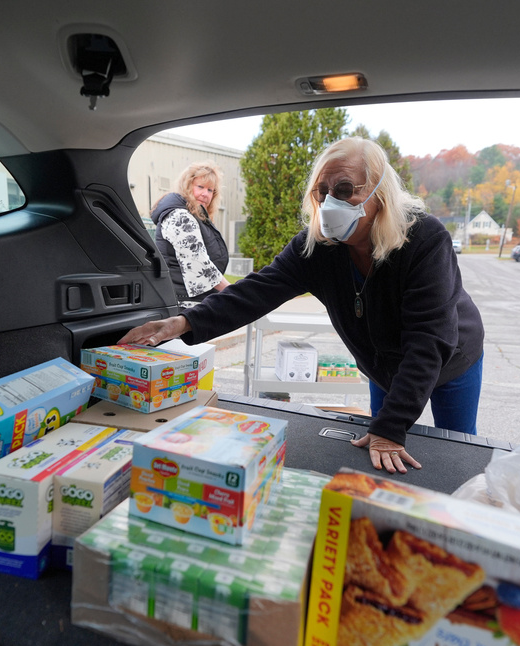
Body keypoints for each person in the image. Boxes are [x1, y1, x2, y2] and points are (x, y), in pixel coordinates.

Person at [119, 137, 485, 474]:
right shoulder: (316, 248)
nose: (330, 202)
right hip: (384, 367)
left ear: (380, 193)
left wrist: (391, 428)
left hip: (452, 358)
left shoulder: (424, 238)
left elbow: (429, 338)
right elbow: (255, 292)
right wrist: (183, 322)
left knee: (456, 451)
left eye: (344, 190)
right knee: (382, 450)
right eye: (322, 191)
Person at [152, 161, 230, 306]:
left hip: (195, 302)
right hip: (183, 305)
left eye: (210, 190)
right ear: (186, 186)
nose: (205, 194)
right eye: (200, 187)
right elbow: (199, 265)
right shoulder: (180, 216)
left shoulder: (196, 216)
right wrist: (234, 292)